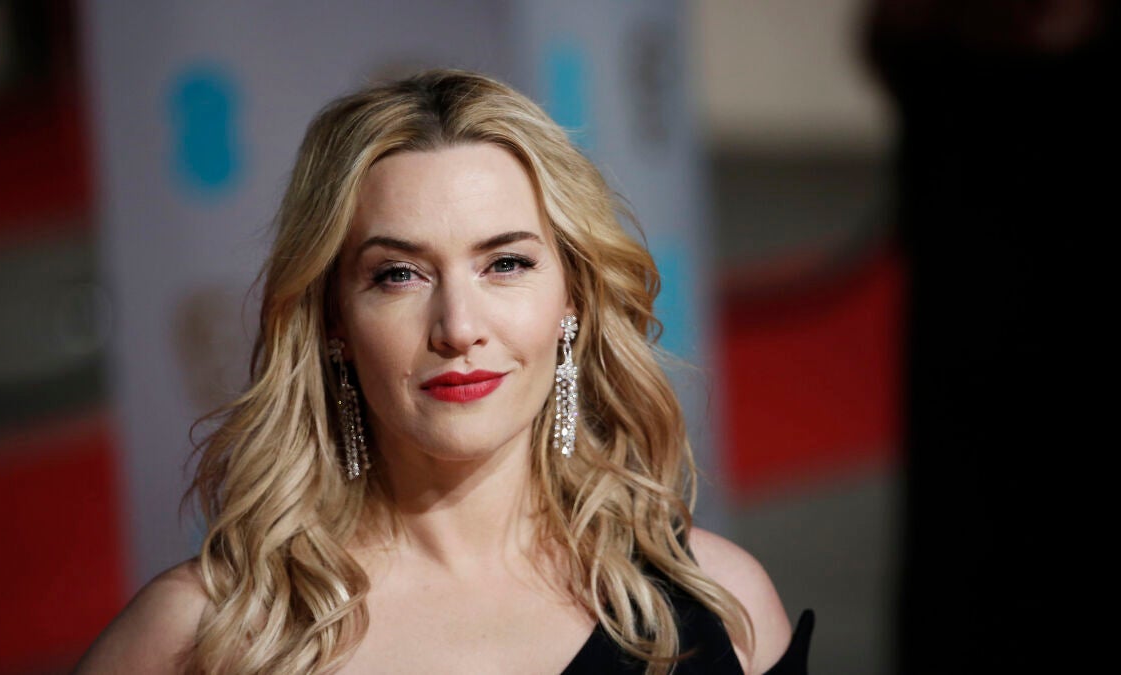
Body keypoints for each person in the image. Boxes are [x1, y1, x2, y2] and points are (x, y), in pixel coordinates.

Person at [74, 69, 813, 674]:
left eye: (506, 264)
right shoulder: (205, 634)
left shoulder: (723, 606)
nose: (458, 327)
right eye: (398, 274)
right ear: (333, 321)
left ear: (574, 300)